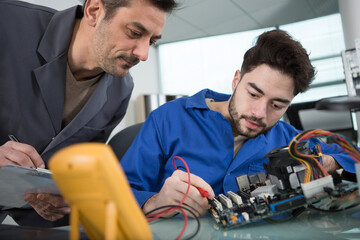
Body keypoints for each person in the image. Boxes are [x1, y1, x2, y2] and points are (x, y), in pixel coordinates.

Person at [120, 29, 357, 218]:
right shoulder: (168, 119)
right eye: (253, 94)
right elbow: (119, 194)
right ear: (236, 80)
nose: (259, 114)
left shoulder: (290, 139)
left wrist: (328, 162)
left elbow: (351, 155)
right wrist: (155, 202)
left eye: (277, 105)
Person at [0, 0, 177, 226]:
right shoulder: (7, 22)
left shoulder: (121, 90)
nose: (143, 54)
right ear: (94, 11)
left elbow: (73, 171)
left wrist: (60, 198)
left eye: (151, 41)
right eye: (134, 32)